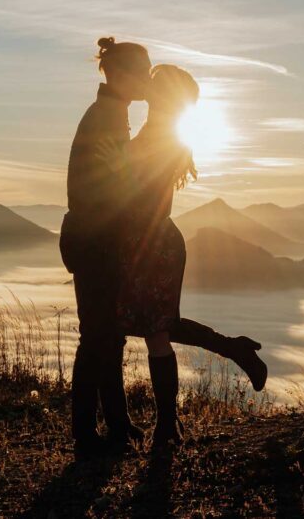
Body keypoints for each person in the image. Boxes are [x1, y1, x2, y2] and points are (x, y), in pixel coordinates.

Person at [113, 63, 267, 448]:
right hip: (150, 243)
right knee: (159, 325)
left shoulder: (161, 141)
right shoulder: (161, 137)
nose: (147, 86)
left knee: (157, 332)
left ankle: (168, 426)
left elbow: (138, 196)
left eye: (155, 83)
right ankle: (236, 350)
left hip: (152, 245)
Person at [59, 36, 151, 459]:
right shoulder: (108, 117)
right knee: (97, 335)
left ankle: (116, 423)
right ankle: (85, 433)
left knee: (108, 335)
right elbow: (117, 180)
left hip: (96, 237)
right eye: (142, 73)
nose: (147, 81)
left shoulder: (111, 113)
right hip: (96, 240)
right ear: (118, 74)